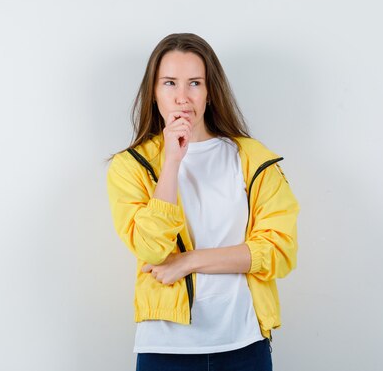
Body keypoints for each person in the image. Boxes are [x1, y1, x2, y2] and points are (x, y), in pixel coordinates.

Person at [106, 33, 300, 371]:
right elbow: (151, 249)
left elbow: (279, 252)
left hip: (244, 345)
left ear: (210, 92)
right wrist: (171, 163)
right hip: (165, 348)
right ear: (153, 92)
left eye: (195, 83)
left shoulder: (253, 160)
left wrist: (188, 262)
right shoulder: (130, 166)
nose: (182, 98)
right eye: (170, 83)